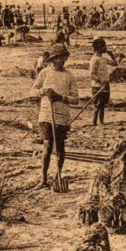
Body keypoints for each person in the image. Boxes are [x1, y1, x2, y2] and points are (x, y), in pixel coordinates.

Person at [30, 43, 79, 188]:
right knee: (47, 146)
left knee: (60, 147)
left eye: (64, 57)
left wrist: (61, 98)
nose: (63, 60)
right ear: (54, 59)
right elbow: (32, 92)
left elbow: (76, 99)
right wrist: (43, 92)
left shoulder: (69, 76)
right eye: (60, 58)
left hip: (62, 116)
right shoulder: (44, 73)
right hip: (45, 114)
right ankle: (43, 179)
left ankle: (58, 176)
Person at [89, 37, 111, 126]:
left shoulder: (103, 59)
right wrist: (100, 81)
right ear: (99, 48)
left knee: (103, 105)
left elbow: (115, 63)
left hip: (105, 85)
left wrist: (113, 55)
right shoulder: (94, 60)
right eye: (104, 46)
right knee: (97, 105)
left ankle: (101, 122)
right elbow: (92, 74)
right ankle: (94, 122)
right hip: (98, 86)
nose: (106, 48)